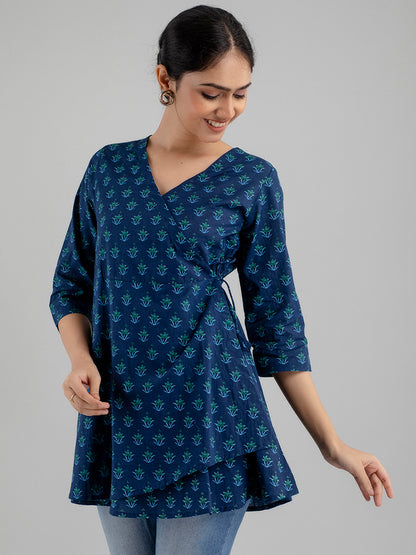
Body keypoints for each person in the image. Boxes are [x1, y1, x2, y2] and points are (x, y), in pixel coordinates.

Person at [48, 4, 394, 554]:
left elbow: (276, 321)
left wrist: (332, 444)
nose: (227, 110)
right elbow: (71, 283)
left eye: (241, 94)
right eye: (211, 93)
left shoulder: (252, 179)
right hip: (120, 415)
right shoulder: (108, 169)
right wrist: (79, 359)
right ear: (166, 78)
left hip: (211, 412)